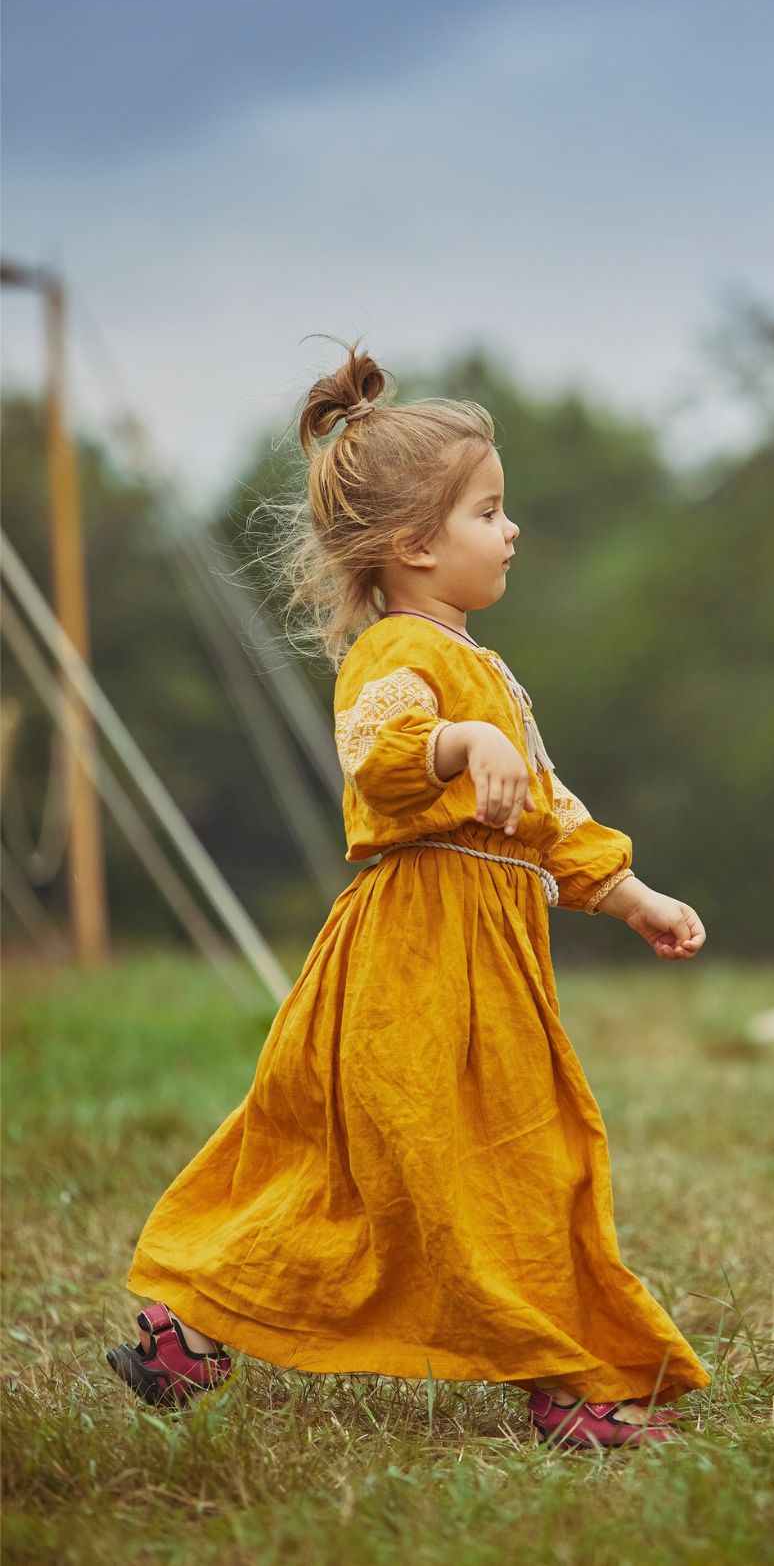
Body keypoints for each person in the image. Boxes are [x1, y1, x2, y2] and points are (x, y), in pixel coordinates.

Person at [106, 338, 710, 1450]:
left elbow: (549, 811)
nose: (511, 528)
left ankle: (201, 1333)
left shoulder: (483, 666)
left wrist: (632, 896)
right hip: (410, 964)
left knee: (506, 1161)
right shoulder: (395, 650)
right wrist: (456, 743)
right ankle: (555, 1389)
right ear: (417, 546)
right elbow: (375, 751)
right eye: (489, 512)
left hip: (491, 965)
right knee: (397, 1170)